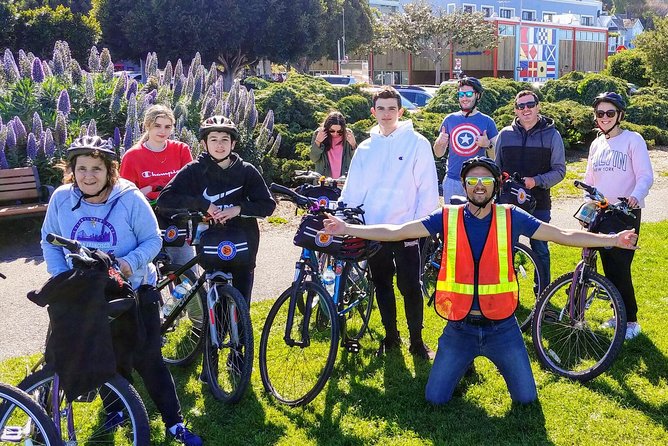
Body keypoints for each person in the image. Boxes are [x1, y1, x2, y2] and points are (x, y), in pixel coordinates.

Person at [323, 156, 640, 404]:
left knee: (526, 399)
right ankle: (462, 364)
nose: (478, 185)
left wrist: (613, 240)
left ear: (494, 187)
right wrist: (347, 229)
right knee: (435, 398)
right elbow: (397, 231)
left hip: (503, 328)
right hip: (459, 327)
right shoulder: (446, 216)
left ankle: (471, 365)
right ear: (463, 185)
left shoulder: (511, 216)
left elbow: (561, 235)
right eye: (472, 180)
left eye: (485, 180)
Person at [40, 136, 203, 445]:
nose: (88, 176)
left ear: (110, 171)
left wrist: (128, 264)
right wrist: (64, 280)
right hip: (88, 293)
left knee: (147, 357)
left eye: (96, 169)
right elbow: (49, 241)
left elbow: (153, 240)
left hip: (135, 288)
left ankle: (174, 422)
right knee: (105, 355)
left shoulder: (129, 198)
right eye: (81, 169)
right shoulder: (62, 198)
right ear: (71, 170)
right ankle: (116, 409)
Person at [340, 86, 439, 359]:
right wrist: (344, 214)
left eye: (391, 108)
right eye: (381, 108)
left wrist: (420, 227)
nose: (386, 114)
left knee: (410, 286)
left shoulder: (417, 143)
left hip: (408, 229)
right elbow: (353, 188)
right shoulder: (365, 148)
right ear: (373, 112)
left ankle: (417, 341)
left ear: (401, 111)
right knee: (381, 282)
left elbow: (428, 188)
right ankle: (391, 336)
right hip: (374, 229)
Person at [156, 115, 276, 302]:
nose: (219, 145)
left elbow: (268, 205)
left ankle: (241, 331)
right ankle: (216, 330)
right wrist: (204, 205)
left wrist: (238, 209)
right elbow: (165, 200)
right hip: (209, 243)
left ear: (233, 144)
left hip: (244, 243)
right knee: (216, 302)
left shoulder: (246, 170)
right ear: (204, 144)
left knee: (242, 304)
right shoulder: (193, 170)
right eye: (213, 140)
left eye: (224, 140)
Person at [585, 92, 654, 340]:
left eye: (609, 113)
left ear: (620, 115)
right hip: (602, 212)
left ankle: (631, 321)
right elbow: (589, 179)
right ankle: (618, 315)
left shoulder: (633, 140)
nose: (604, 117)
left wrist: (636, 195)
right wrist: (587, 201)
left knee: (621, 267)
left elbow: (645, 174)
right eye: (600, 113)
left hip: (625, 212)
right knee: (606, 267)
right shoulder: (597, 144)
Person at [495, 90, 566, 286]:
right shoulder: (505, 134)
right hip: (508, 204)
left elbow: (560, 170)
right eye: (521, 106)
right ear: (515, 110)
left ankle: (543, 293)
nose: (526, 109)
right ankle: (507, 292)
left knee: (540, 248)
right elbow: (496, 168)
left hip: (539, 204)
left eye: (530, 105)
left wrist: (536, 181)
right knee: (506, 249)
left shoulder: (552, 135)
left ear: (538, 106)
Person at [119, 104, 195, 267]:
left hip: (176, 217)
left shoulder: (181, 150)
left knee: (186, 269)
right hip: (146, 217)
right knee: (148, 271)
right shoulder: (132, 156)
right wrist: (149, 190)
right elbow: (125, 195)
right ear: (147, 126)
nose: (163, 131)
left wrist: (154, 187)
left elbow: (190, 183)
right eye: (157, 126)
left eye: (168, 127)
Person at [433, 77, 498, 203]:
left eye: (469, 94)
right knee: (452, 221)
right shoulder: (449, 120)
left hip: (478, 181)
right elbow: (438, 153)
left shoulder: (487, 121)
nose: (464, 98)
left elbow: (496, 157)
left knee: (479, 220)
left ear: (477, 95)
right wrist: (439, 143)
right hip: (453, 180)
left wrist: (487, 144)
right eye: (461, 94)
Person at [310, 111, 357, 178]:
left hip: (343, 181)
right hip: (324, 181)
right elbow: (313, 158)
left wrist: (353, 145)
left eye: (339, 131)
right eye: (332, 131)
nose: (335, 134)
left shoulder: (348, 134)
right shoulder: (319, 133)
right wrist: (318, 142)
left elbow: (356, 160)